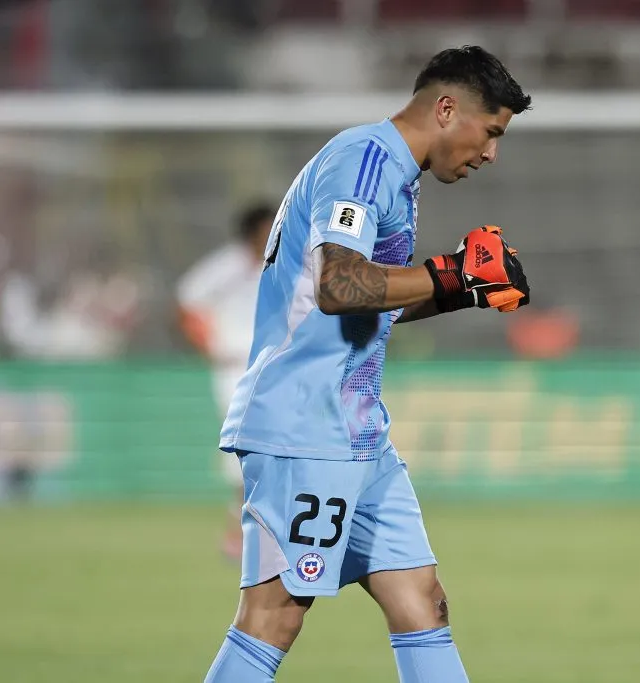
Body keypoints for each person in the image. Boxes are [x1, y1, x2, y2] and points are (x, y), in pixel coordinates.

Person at [204, 46, 531, 683]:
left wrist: (460, 290)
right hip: (304, 426)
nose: (491, 153)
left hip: (356, 433)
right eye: (490, 132)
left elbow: (368, 306)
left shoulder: (394, 179)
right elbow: (341, 287)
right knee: (274, 615)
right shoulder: (362, 161)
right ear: (446, 109)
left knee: (421, 601)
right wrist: (450, 271)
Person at [177, 202, 275, 559]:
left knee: (270, 446)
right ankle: (241, 534)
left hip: (274, 365)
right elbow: (187, 302)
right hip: (235, 369)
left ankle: (254, 530)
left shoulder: (283, 262)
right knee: (246, 445)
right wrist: (211, 347)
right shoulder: (227, 265)